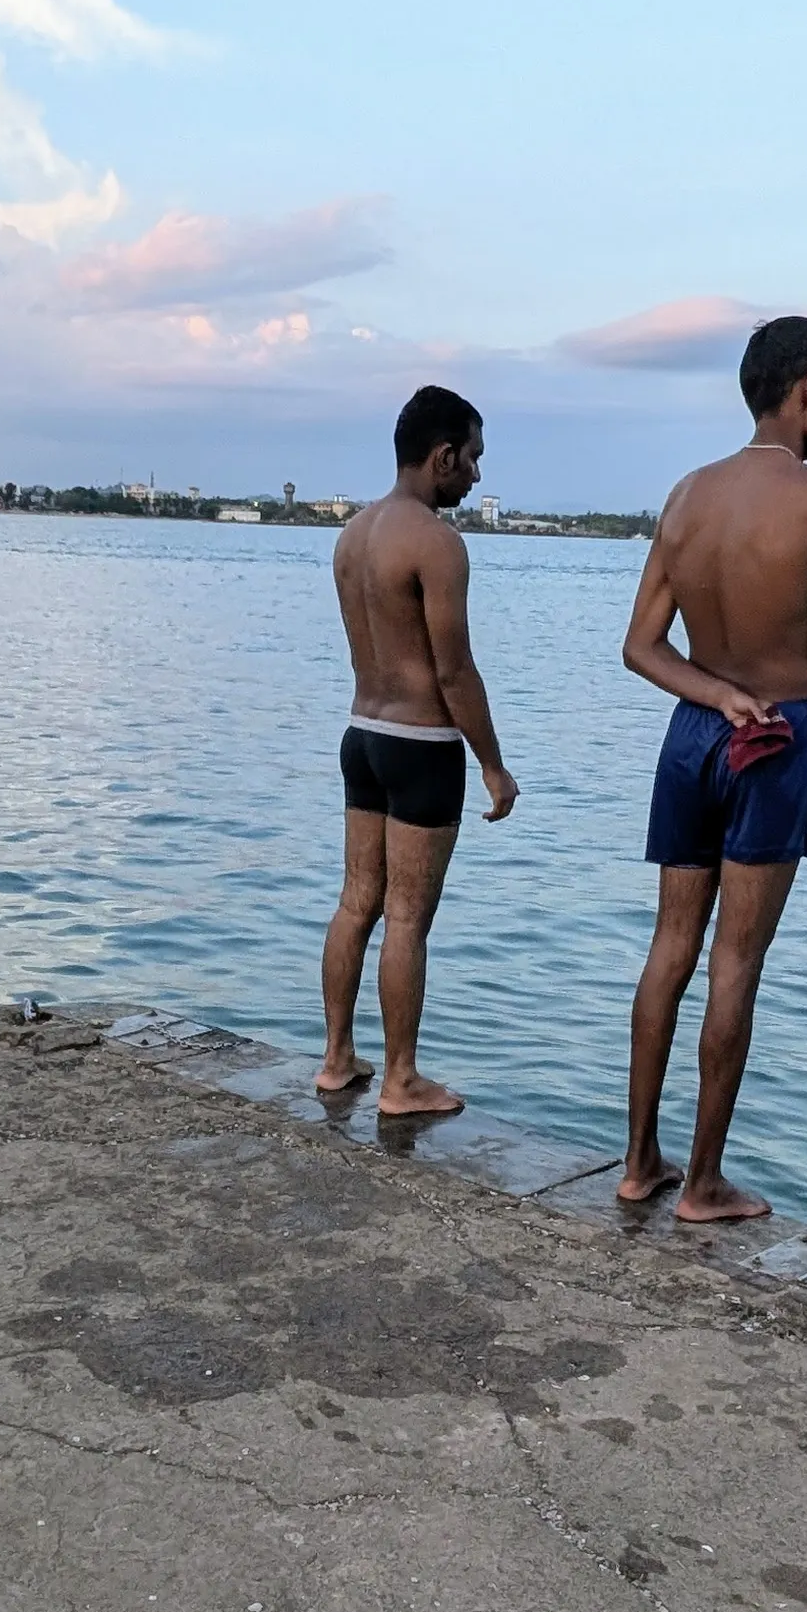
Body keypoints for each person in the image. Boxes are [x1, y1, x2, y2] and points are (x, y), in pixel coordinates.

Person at [615, 316, 807, 1222]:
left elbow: (642, 647)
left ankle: (639, 1163)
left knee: (668, 950)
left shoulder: (688, 494)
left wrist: (715, 697)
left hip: (693, 734)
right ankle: (704, 1182)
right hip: (777, 739)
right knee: (735, 962)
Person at [321, 384, 520, 1118]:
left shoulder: (353, 535)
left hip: (362, 734)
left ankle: (338, 1057)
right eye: (470, 460)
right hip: (421, 745)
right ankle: (401, 1080)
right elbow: (452, 670)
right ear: (441, 456)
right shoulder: (437, 544)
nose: (473, 477)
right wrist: (493, 764)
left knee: (356, 901)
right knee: (406, 916)